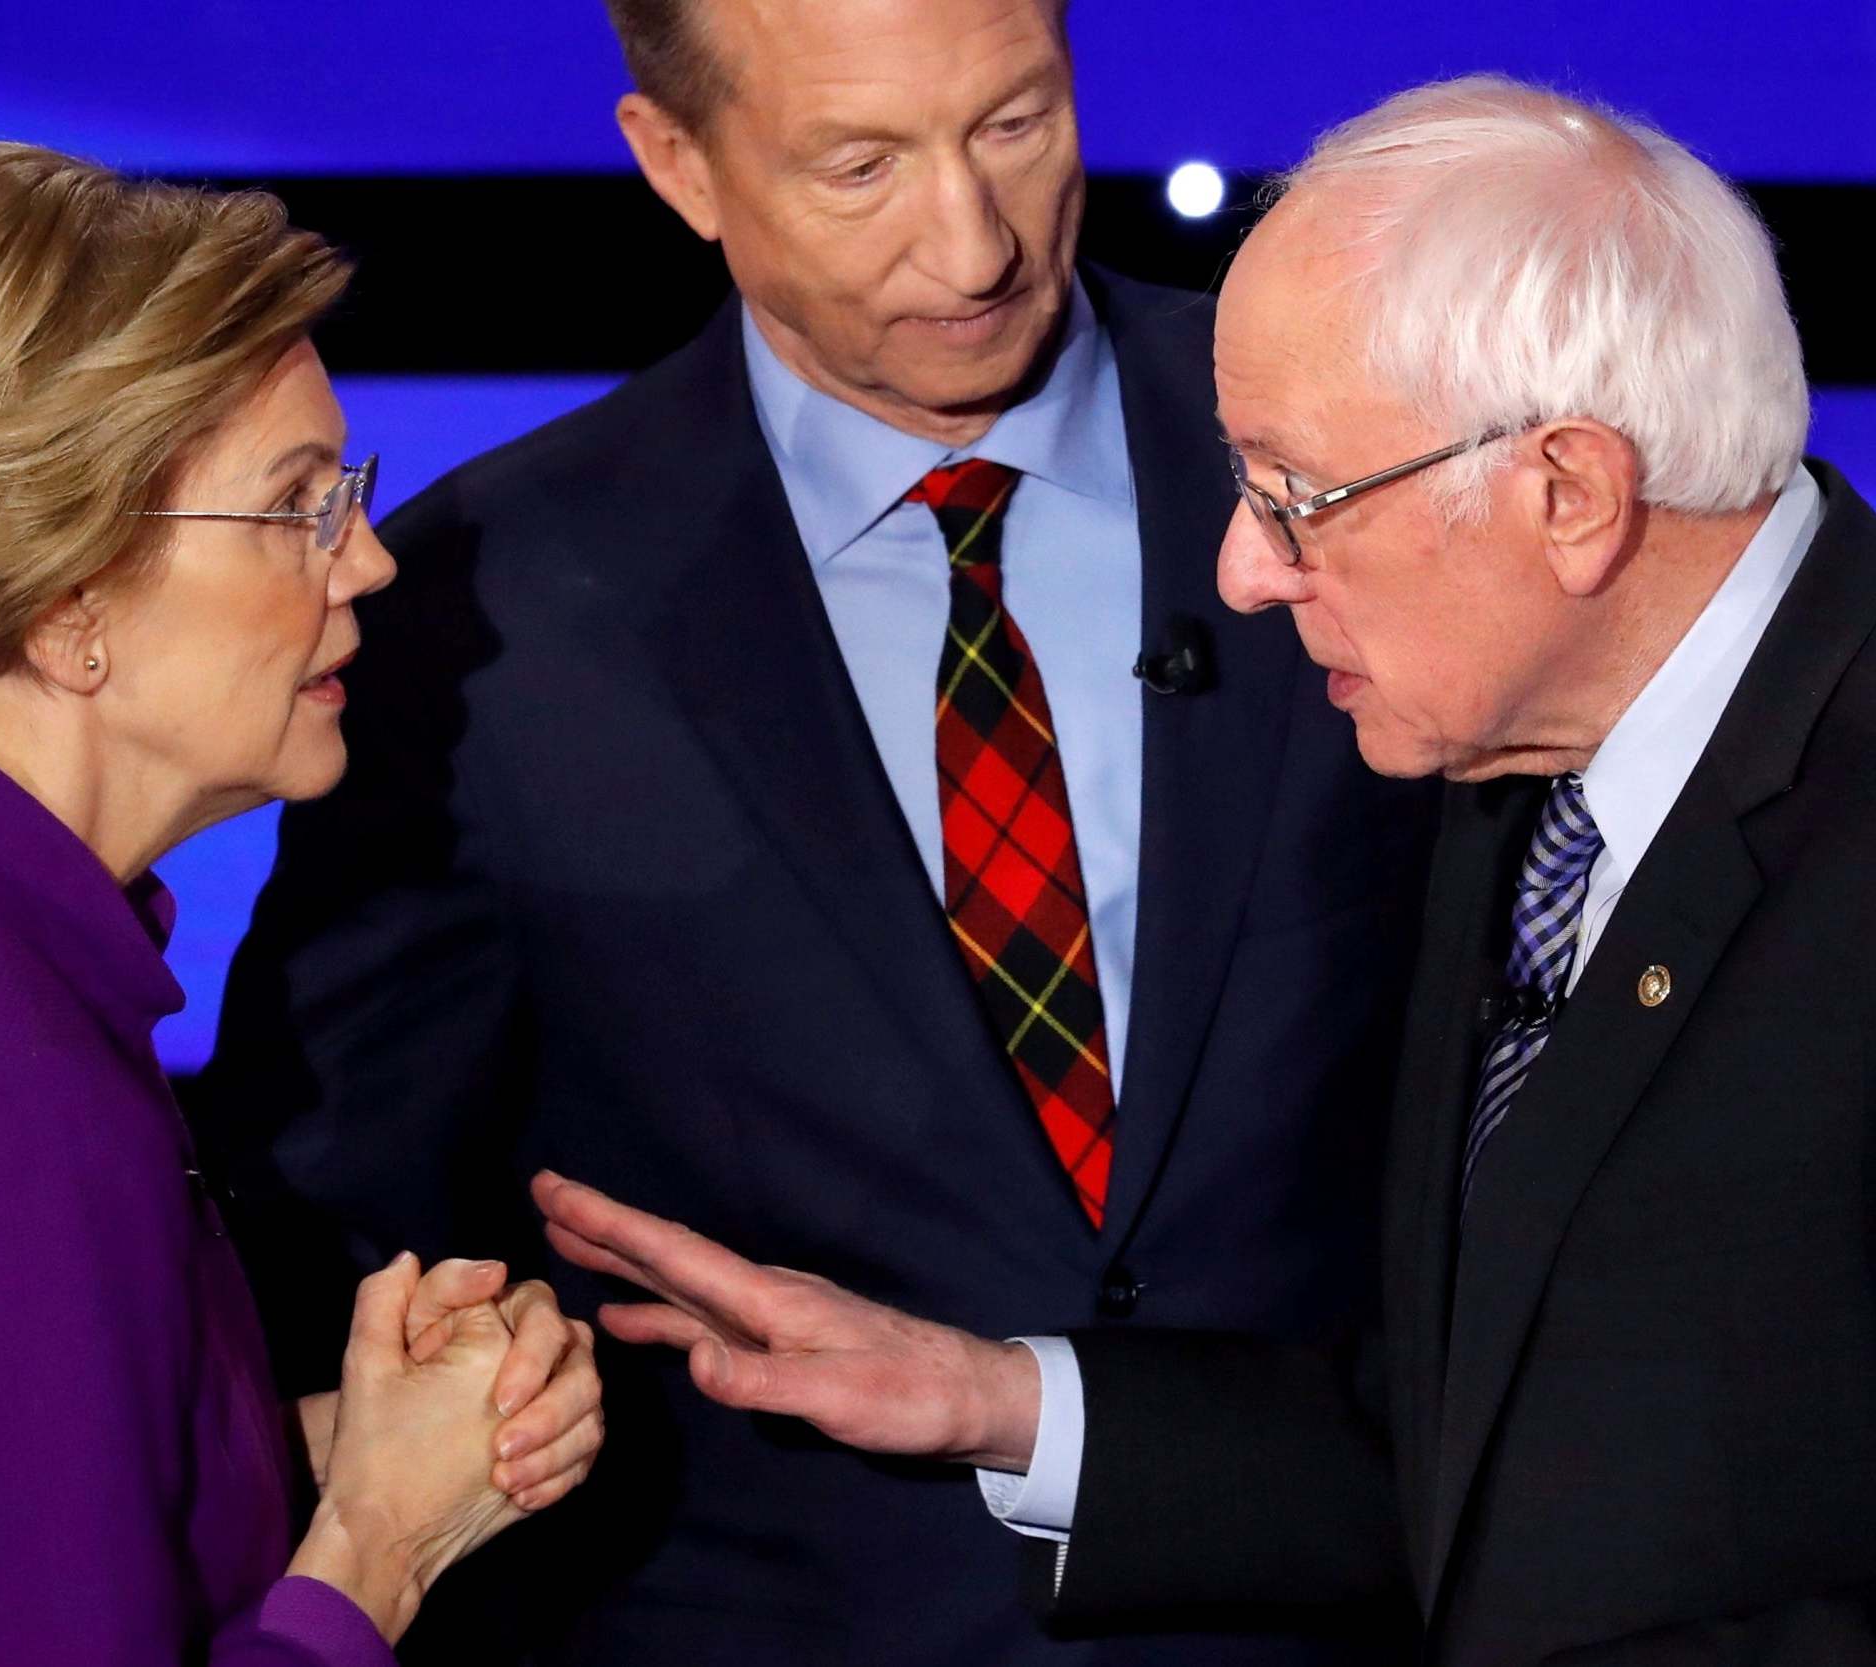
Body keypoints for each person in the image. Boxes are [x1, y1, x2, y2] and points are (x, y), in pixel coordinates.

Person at [532, 74, 1876, 1665]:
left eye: (1296, 496)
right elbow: (1482, 1455)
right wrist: (993, 1398)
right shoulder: (1518, 784)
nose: (1242, 574)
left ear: (1566, 493)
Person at [196, 0, 1434, 1661]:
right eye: (859, 165)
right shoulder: (483, 615)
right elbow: (338, 1230)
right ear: (677, 164)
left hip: (1356, 1604)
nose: (972, 240)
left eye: (1014, 124)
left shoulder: (1371, 457)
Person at [0, 143, 603, 1667]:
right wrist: (381, 1540)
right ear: (71, 603)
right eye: (299, 507)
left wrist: (344, 1442)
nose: (371, 561)